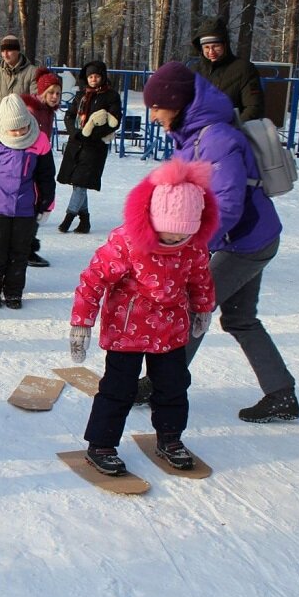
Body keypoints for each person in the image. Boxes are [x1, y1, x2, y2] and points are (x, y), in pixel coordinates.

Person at [137, 61, 299, 422]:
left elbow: (227, 205)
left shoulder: (218, 139)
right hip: (244, 239)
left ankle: (166, 383)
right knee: (240, 319)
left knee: (192, 308)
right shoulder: (192, 137)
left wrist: (190, 247)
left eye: (155, 107)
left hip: (245, 242)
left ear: (176, 102)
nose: (151, 117)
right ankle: (281, 393)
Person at [68, 158, 218, 475]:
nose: (176, 242)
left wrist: (203, 306)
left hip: (172, 329)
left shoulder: (193, 247)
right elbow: (93, 280)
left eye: (182, 236)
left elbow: (200, 278)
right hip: (127, 332)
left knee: (174, 386)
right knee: (118, 389)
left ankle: (170, 438)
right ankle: (102, 445)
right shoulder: (126, 243)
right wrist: (82, 322)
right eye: (169, 235)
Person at [0, 94, 55, 309]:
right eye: (13, 130)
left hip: (26, 209)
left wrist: (46, 204)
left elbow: (46, 175)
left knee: (19, 253)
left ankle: (13, 292)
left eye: (22, 128)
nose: (18, 133)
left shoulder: (39, 141)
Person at [0, 33, 49, 268]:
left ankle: (28, 245)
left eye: (10, 50)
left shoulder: (31, 73)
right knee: (1, 188)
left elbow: (39, 101)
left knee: (29, 189)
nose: (6, 54)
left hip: (26, 134)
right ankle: (1, 241)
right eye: (3, 50)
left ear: (18, 51)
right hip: (3, 134)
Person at [56, 60, 122, 235]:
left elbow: (114, 122)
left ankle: (68, 218)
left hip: (94, 147)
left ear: (102, 77)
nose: (93, 79)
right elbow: (69, 115)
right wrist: (75, 132)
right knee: (78, 183)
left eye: (97, 76)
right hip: (76, 143)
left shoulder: (111, 96)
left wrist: (91, 134)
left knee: (80, 182)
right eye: (90, 76)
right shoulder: (81, 95)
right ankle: (84, 221)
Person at [191, 17, 264, 122]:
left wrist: (232, 129)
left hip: (231, 131)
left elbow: (254, 107)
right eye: (206, 47)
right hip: (198, 132)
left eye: (216, 46)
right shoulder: (195, 70)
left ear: (225, 45)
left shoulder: (243, 69)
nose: (211, 51)